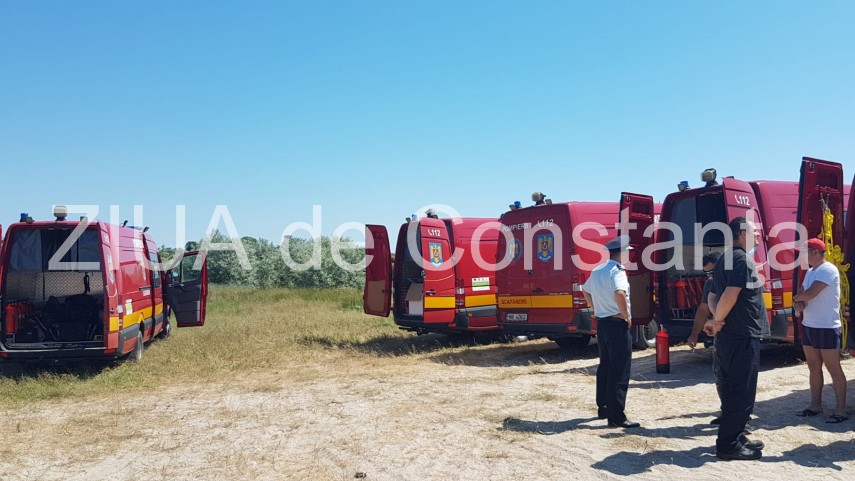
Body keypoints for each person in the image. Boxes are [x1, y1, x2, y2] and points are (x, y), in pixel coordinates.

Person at [704, 217, 766, 461]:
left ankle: (736, 435)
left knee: (735, 389)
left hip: (733, 334)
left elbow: (713, 296)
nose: (758, 236)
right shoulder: (739, 259)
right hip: (741, 334)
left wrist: (716, 319)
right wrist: (717, 321)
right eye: (754, 232)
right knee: (741, 390)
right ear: (741, 233)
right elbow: (729, 295)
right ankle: (728, 446)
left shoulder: (724, 260)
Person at [582, 235, 640, 429]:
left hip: (603, 323)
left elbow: (585, 289)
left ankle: (604, 407)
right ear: (621, 253)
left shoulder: (597, 270)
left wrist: (593, 305)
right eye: (628, 253)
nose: (629, 256)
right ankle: (616, 416)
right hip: (616, 322)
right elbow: (620, 293)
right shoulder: (617, 270)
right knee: (620, 368)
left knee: (605, 365)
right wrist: (626, 315)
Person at [793, 238, 848, 423]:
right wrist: (798, 300)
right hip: (810, 324)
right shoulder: (810, 271)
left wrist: (798, 298)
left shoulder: (828, 269)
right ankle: (815, 405)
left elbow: (809, 293)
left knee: (834, 368)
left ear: (815, 252)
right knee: (813, 367)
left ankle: (840, 410)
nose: (802, 255)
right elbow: (802, 292)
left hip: (827, 326)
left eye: (805, 251)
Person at [687, 252, 721, 349]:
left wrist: (715, 320)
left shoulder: (734, 280)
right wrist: (694, 334)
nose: (711, 276)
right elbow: (703, 310)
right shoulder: (710, 283)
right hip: (721, 334)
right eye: (707, 273)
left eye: (713, 272)